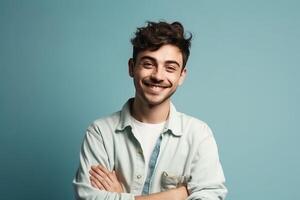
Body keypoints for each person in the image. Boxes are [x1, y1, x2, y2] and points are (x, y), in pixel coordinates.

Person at [73, 21, 227, 200]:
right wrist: (177, 195)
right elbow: (87, 197)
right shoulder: (101, 132)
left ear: (181, 75)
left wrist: (122, 196)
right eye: (148, 64)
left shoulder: (198, 134)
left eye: (170, 68)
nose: (158, 76)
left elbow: (211, 196)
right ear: (132, 67)